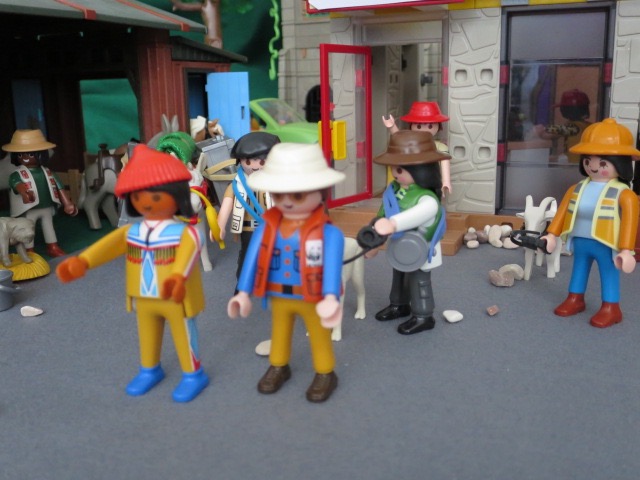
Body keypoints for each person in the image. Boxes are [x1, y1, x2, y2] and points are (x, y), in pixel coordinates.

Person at [56, 144, 210, 402]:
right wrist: (83, 261)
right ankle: (150, 369)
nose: (146, 202)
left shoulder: (185, 233)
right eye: (138, 197)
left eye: (156, 197)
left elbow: (187, 255)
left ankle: (193, 374)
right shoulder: (133, 231)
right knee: (147, 336)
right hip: (143, 296)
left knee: (184, 336)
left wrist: (177, 278)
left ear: (177, 195)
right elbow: (108, 246)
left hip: (176, 298)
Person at [227, 142, 345, 403]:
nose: (288, 202)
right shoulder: (267, 227)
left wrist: (330, 296)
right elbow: (251, 259)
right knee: (279, 332)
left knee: (319, 335)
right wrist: (243, 292)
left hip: (312, 295)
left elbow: (332, 268)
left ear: (319, 191)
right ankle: (279, 366)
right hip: (278, 293)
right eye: (280, 195)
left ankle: (325, 372)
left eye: (298, 195)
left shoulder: (328, 232)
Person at [542, 118, 639, 328]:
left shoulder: (624, 194)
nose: (593, 167)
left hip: (606, 243)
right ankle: (575, 298)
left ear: (620, 164)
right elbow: (562, 213)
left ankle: (611, 307)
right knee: (579, 269)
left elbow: (630, 222)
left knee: (608, 273)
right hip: (580, 240)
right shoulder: (577, 188)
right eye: (588, 161)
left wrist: (626, 250)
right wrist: (551, 234)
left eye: (602, 163)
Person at [368, 130, 451, 335]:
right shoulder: (394, 191)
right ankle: (399, 305)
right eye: (394, 168)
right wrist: (373, 239)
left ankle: (424, 315)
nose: (395, 174)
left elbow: (417, 214)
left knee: (419, 280)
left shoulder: (427, 199)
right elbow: (383, 213)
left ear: (421, 170)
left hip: (422, 247)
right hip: (400, 247)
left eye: (400, 169)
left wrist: (393, 224)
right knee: (399, 276)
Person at [217, 132, 280, 284]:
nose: (255, 166)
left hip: (271, 226)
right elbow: (226, 204)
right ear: (240, 161)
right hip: (248, 229)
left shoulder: (277, 182)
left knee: (274, 252)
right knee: (247, 254)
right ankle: (243, 282)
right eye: (248, 161)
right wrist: (220, 225)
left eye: (262, 161)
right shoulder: (237, 184)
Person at [3, 129, 78, 257]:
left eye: (30, 154)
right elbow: (16, 184)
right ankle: (29, 250)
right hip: (28, 208)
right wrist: (24, 192)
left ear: (41, 155)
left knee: (48, 226)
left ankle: (53, 246)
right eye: (20, 155)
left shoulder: (48, 172)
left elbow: (59, 187)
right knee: (27, 228)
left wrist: (67, 203)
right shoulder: (17, 174)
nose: (25, 158)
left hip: (46, 206)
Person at [382, 101, 452, 195]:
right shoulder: (412, 144)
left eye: (430, 126)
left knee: (429, 198)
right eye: (419, 126)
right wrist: (392, 127)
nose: (424, 129)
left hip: (430, 181)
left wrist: (446, 181)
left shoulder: (440, 147)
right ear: (411, 125)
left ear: (438, 125)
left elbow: (444, 162)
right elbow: (400, 139)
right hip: (410, 180)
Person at [534, 89, 591, 164]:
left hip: (575, 165)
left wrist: (543, 129)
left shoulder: (573, 127)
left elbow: (555, 132)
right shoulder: (588, 126)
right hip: (581, 163)